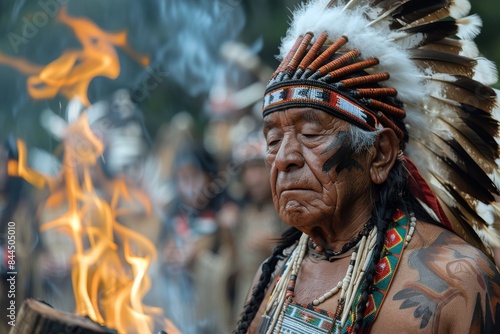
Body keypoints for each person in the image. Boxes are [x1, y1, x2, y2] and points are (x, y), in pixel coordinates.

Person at [235, 0, 500, 333]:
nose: (285, 157)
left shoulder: (457, 282)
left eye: (310, 133)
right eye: (272, 140)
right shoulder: (272, 277)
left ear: (380, 154)